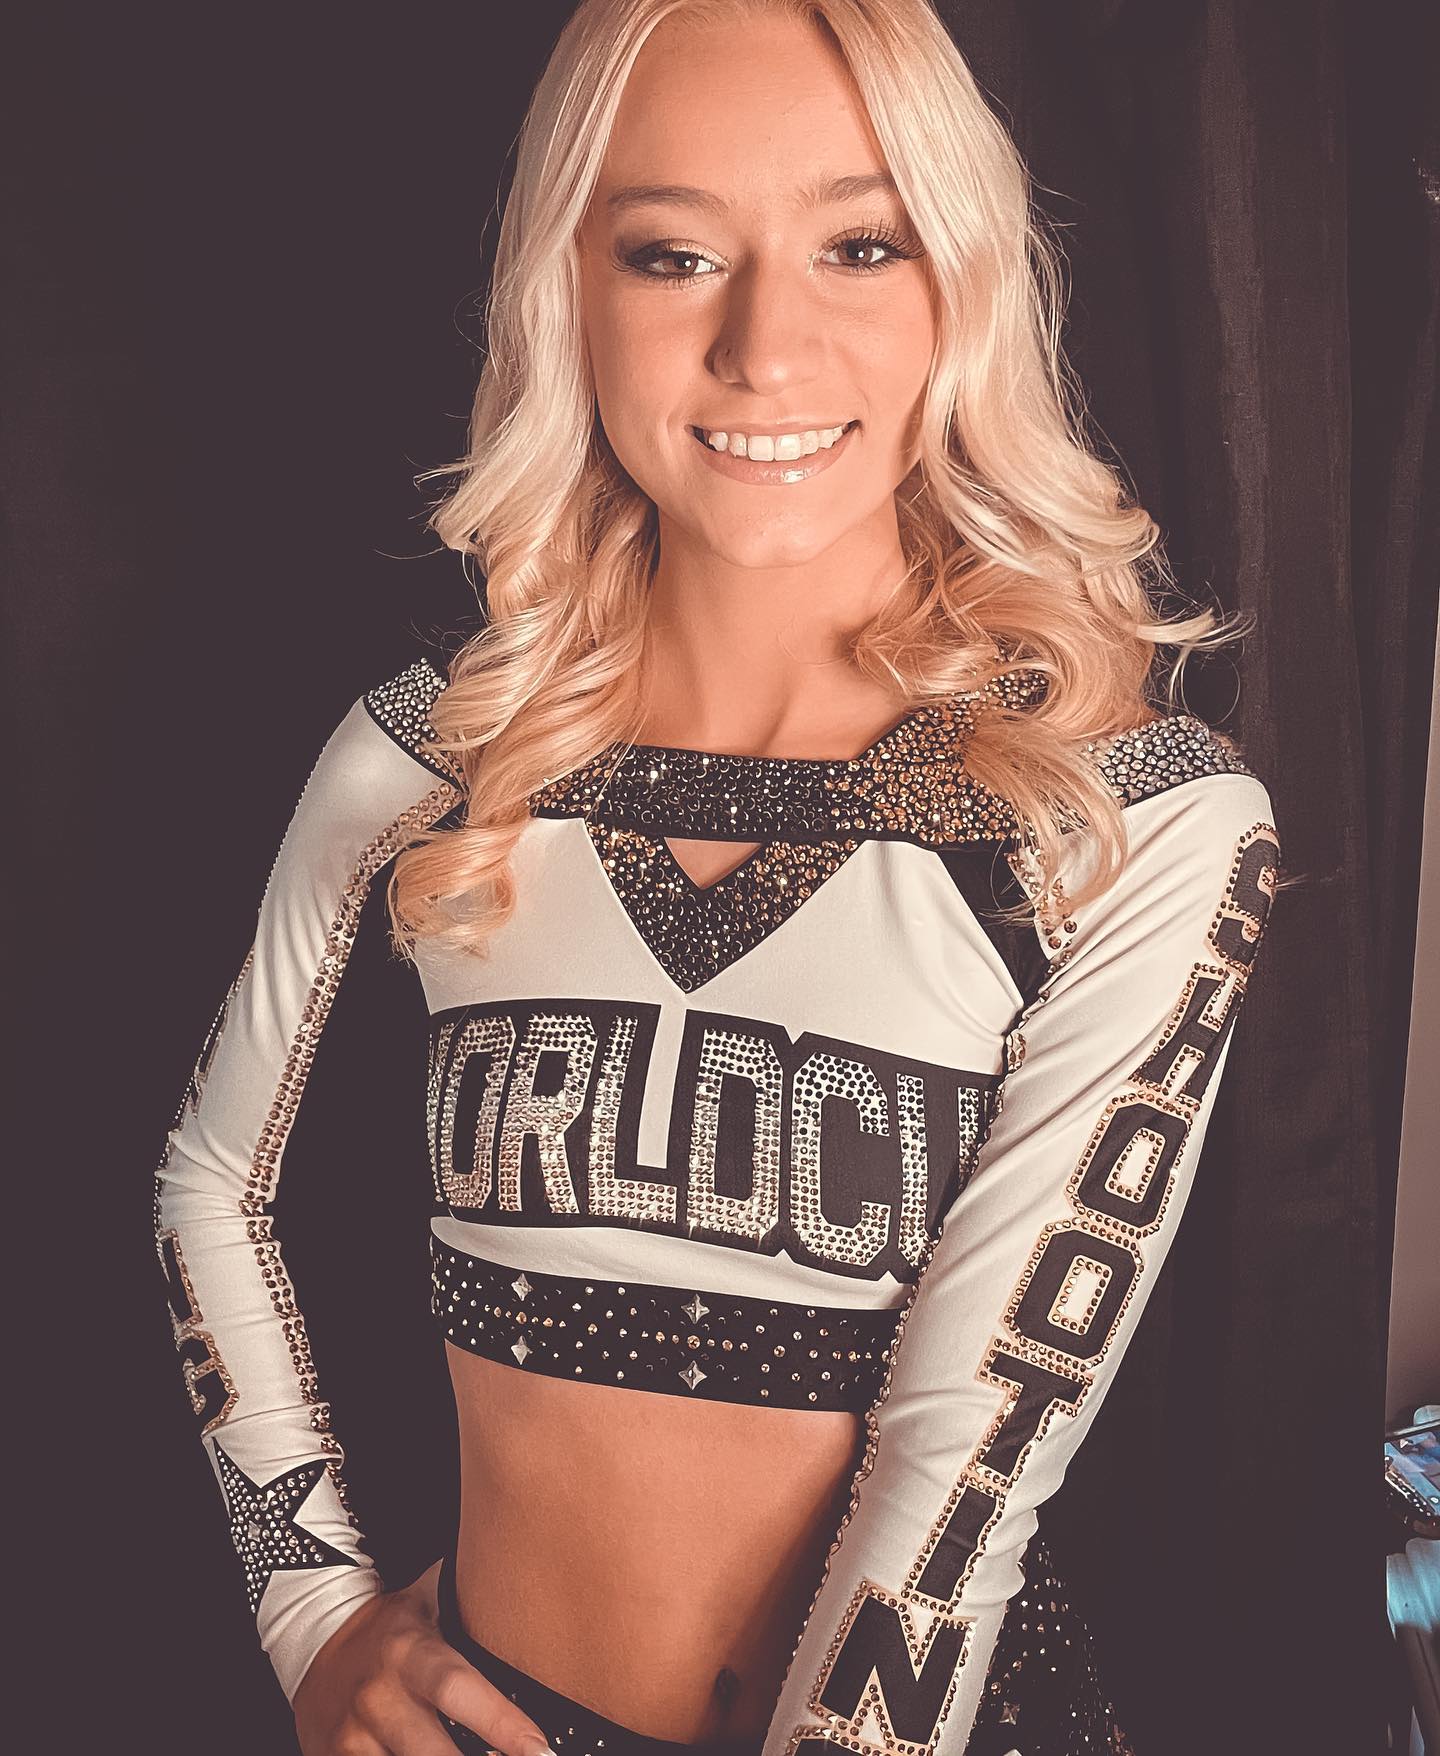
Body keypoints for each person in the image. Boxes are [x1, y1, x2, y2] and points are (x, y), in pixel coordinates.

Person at [151, 2, 1281, 1753]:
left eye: (859, 245)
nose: (765, 347)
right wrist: (311, 1616)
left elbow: (967, 1454)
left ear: (961, 283)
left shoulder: (1128, 820)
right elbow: (209, 1184)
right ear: (570, 291)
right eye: (674, 254)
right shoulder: (437, 758)